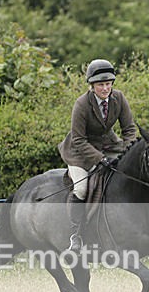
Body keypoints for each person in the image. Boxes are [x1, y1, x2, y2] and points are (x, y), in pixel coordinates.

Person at [58, 58, 137, 252]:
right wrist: (100, 159)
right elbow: (78, 139)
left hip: (108, 145)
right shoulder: (82, 104)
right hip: (80, 152)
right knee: (81, 189)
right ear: (92, 86)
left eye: (108, 84)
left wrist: (129, 151)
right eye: (101, 85)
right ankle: (76, 236)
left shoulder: (118, 98)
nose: (105, 88)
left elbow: (129, 130)